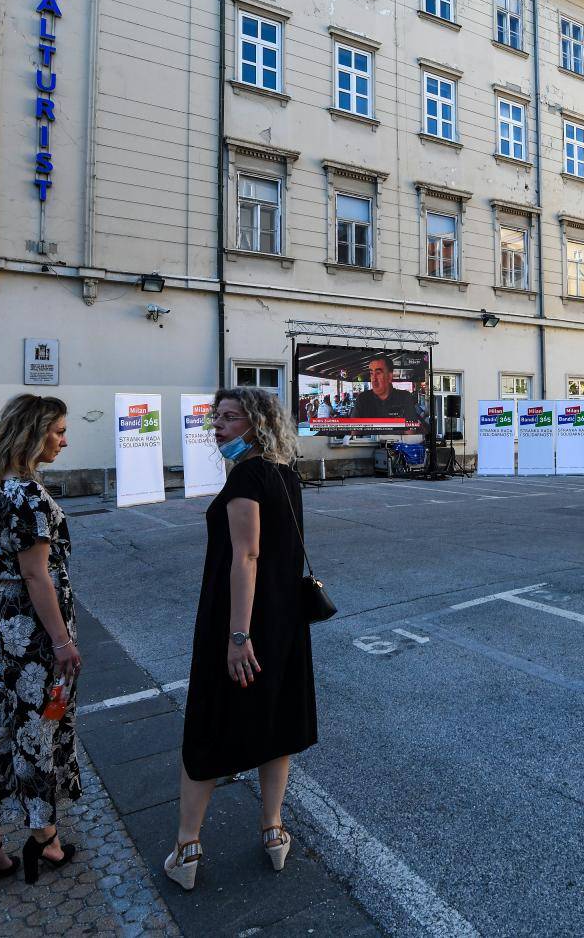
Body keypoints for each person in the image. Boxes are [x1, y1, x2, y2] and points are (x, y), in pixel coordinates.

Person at [166, 387, 317, 891]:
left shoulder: (250, 476)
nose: (218, 427)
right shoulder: (284, 474)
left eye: (230, 418)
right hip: (283, 622)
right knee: (275, 721)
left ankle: (188, 845)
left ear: (256, 423)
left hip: (240, 624)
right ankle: (273, 832)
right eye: (217, 418)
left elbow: (246, 556)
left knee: (209, 724)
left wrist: (236, 635)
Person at [0, 394, 81, 897]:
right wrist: (62, 640)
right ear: (33, 434)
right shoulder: (28, 494)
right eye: (57, 431)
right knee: (39, 726)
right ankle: (44, 839)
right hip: (30, 628)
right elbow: (37, 576)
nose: (64, 440)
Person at [352, 357, 421, 422]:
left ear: (389, 376)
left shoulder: (404, 397)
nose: (373, 379)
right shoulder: (362, 398)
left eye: (378, 373)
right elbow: (354, 432)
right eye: (371, 373)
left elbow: (410, 431)